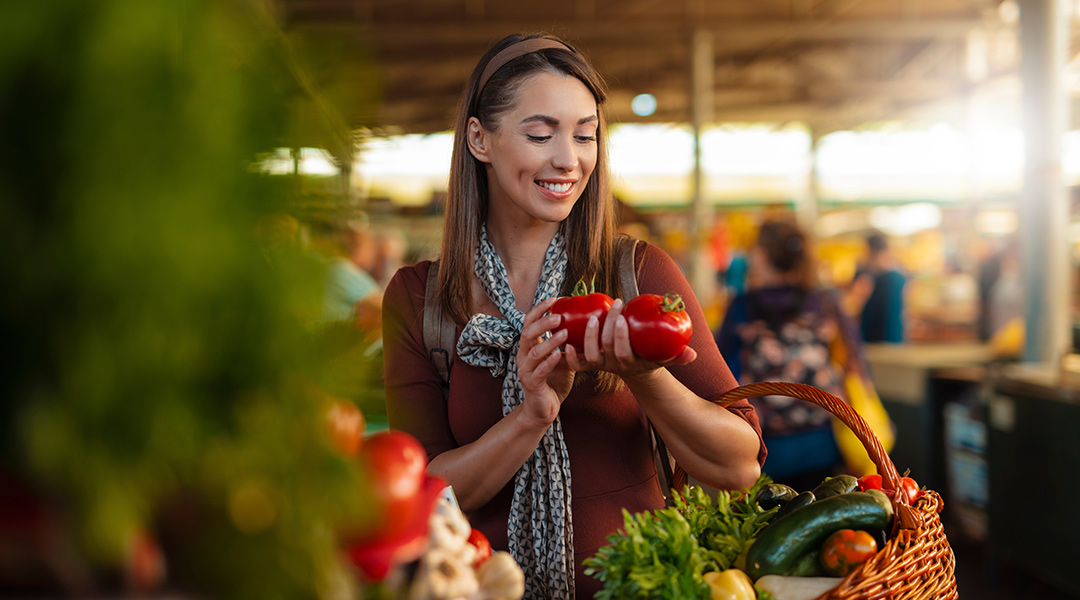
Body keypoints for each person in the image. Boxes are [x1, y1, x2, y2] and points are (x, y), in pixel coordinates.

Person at [381, 33, 764, 599]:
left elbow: (739, 467)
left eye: (586, 135)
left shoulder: (639, 275)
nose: (569, 158)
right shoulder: (419, 300)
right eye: (541, 134)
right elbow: (419, 494)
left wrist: (642, 373)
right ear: (479, 139)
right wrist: (532, 414)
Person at [714, 219, 860, 490]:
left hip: (764, 445)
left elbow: (717, 368)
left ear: (763, 255)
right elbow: (855, 360)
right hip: (825, 437)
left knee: (768, 519)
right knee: (823, 510)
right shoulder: (825, 301)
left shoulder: (743, 305)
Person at [850, 231, 907, 343]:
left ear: (871, 251)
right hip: (894, 335)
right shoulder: (900, 275)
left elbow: (853, 304)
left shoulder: (868, 277)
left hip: (875, 336)